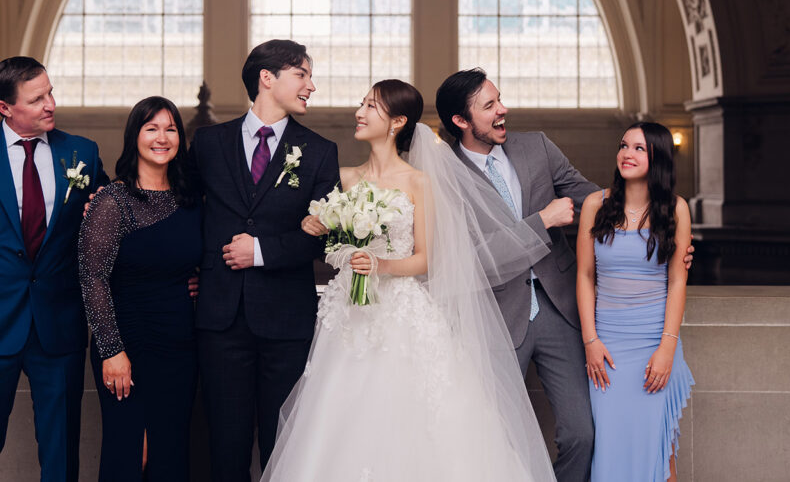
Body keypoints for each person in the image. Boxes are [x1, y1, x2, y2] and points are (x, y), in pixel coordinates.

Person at [262, 79, 558, 482]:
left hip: (402, 313)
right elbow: (330, 240)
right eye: (361, 103)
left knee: (414, 421)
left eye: (370, 106)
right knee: (339, 416)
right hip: (348, 318)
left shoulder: (420, 182)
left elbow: (426, 260)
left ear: (397, 122)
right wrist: (313, 224)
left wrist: (380, 266)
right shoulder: (344, 177)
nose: (359, 112)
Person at [0, 56, 108, 481]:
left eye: (50, 92)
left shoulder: (81, 151)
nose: (51, 104)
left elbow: (105, 231)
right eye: (37, 98)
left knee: (62, 457)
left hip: (59, 326)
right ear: (4, 108)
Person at [436, 68, 598, 481]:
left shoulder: (537, 147)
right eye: (489, 106)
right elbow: (472, 259)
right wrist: (542, 221)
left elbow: (592, 201)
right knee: (495, 438)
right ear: (461, 121)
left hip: (559, 310)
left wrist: (658, 225)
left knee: (582, 433)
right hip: (492, 317)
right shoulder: (442, 176)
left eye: (499, 99)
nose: (503, 110)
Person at [191, 39, 340, 480]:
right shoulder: (207, 143)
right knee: (224, 443)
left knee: (285, 444)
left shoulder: (319, 151)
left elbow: (324, 239)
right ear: (267, 78)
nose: (311, 85)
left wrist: (259, 251)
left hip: (286, 322)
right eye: (303, 75)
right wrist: (104, 200)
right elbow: (179, 208)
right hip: (220, 319)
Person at [78, 96, 202, 481]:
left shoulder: (191, 199)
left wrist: (197, 278)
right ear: (135, 137)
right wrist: (112, 351)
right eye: (152, 128)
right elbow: (92, 277)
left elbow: (199, 256)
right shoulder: (112, 201)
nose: (162, 137)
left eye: (170, 128)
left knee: (170, 451)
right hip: (127, 342)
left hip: (180, 343)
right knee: (132, 451)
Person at [576, 122, 693, 482]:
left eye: (639, 148)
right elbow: (584, 276)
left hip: (654, 344)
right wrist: (591, 342)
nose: (627, 154)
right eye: (624, 145)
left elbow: (677, 281)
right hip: (607, 350)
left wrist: (667, 349)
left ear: (657, 156)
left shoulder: (676, 209)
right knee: (609, 448)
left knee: (659, 455)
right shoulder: (596, 204)